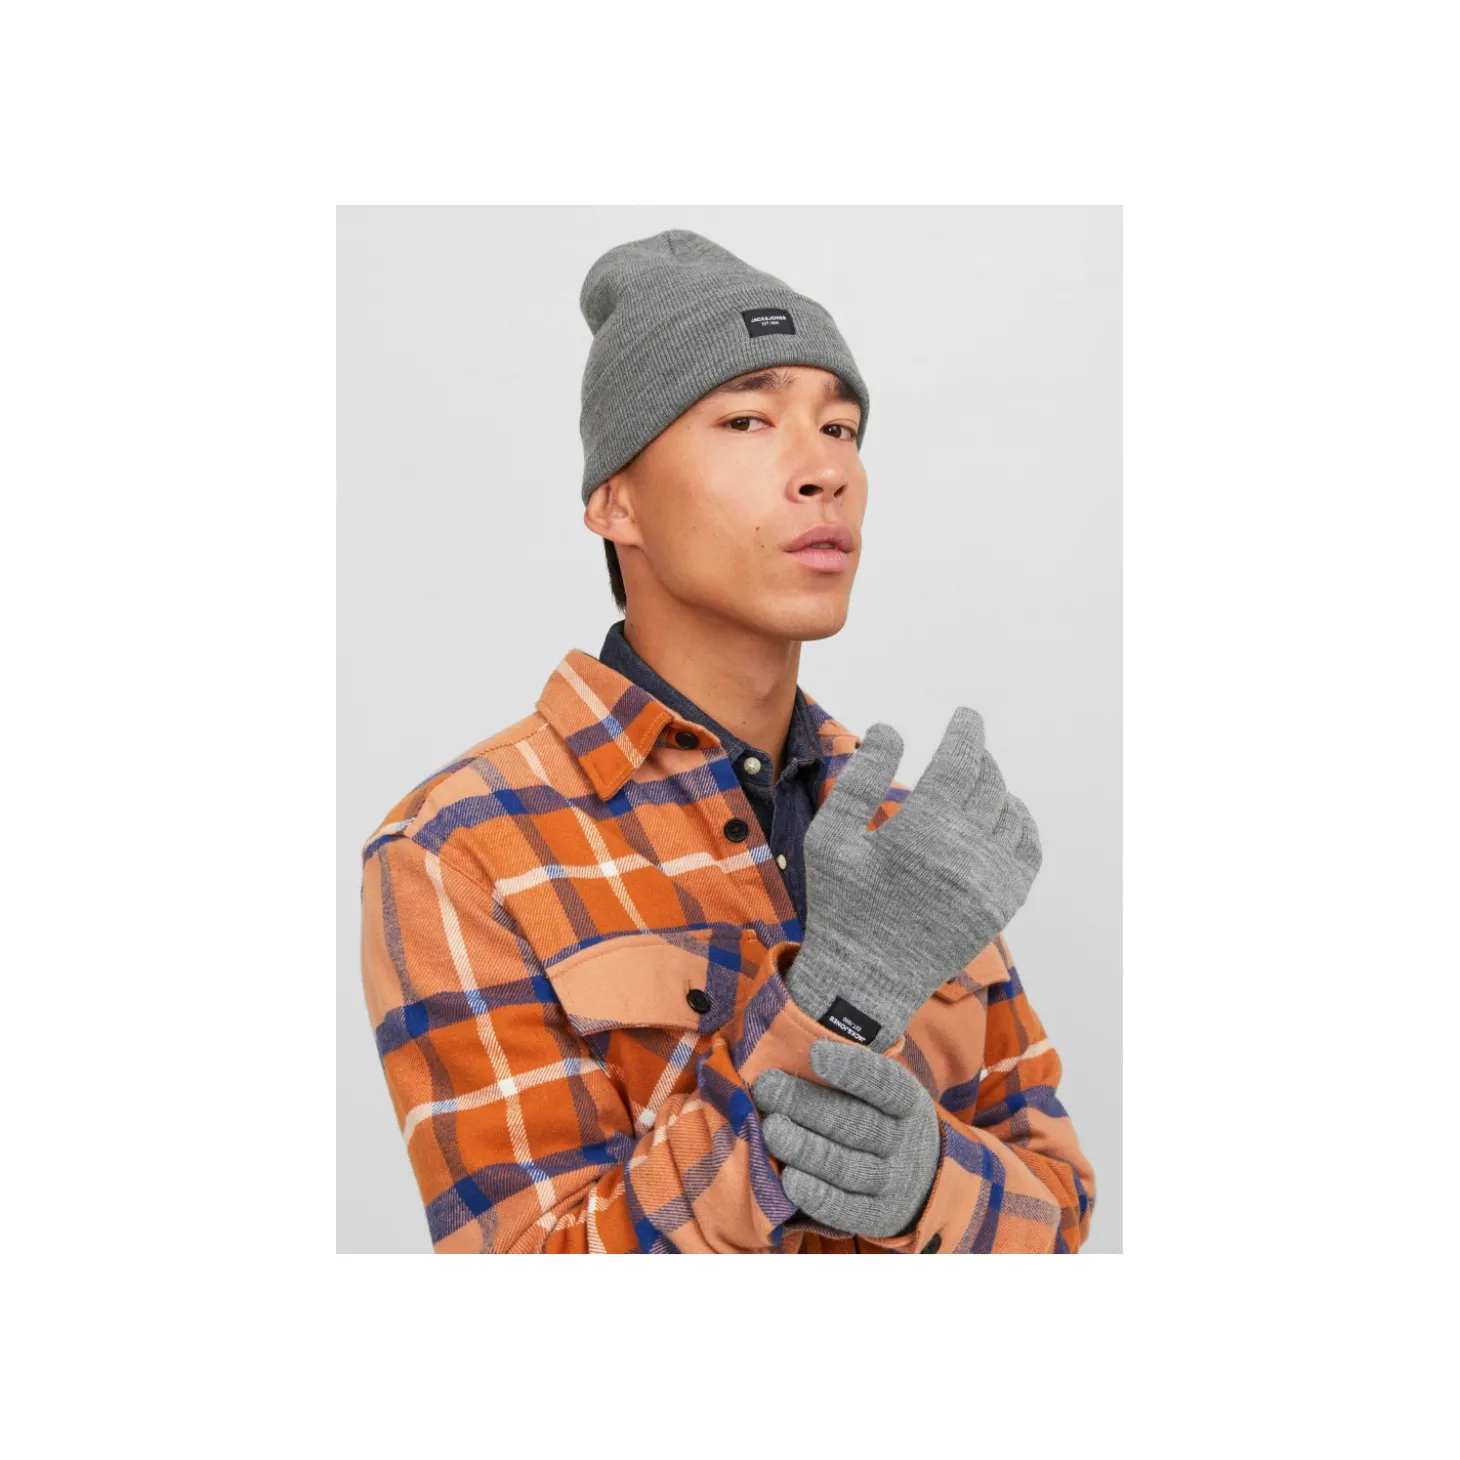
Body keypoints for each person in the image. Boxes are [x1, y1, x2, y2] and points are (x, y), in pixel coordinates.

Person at [358, 228, 1095, 1253]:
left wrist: (925, 1183)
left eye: (840, 427)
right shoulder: (462, 847)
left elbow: (1061, 1207)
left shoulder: (906, 835)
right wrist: (833, 1009)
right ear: (615, 501)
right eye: (747, 420)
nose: (824, 470)